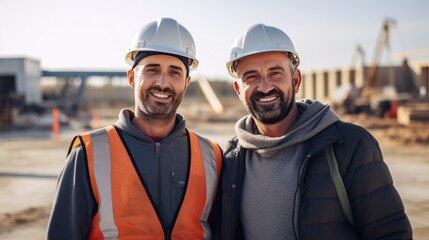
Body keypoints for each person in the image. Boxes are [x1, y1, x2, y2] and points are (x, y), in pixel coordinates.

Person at [221, 23, 412, 239]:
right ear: (238, 89)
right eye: (251, 77)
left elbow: (390, 233)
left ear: (296, 80)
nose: (265, 87)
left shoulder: (350, 145)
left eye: (275, 73)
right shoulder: (230, 158)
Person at [46, 17, 222, 240]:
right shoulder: (88, 153)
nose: (162, 82)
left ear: (186, 83)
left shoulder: (212, 156)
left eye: (175, 72)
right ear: (132, 78)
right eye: (152, 70)